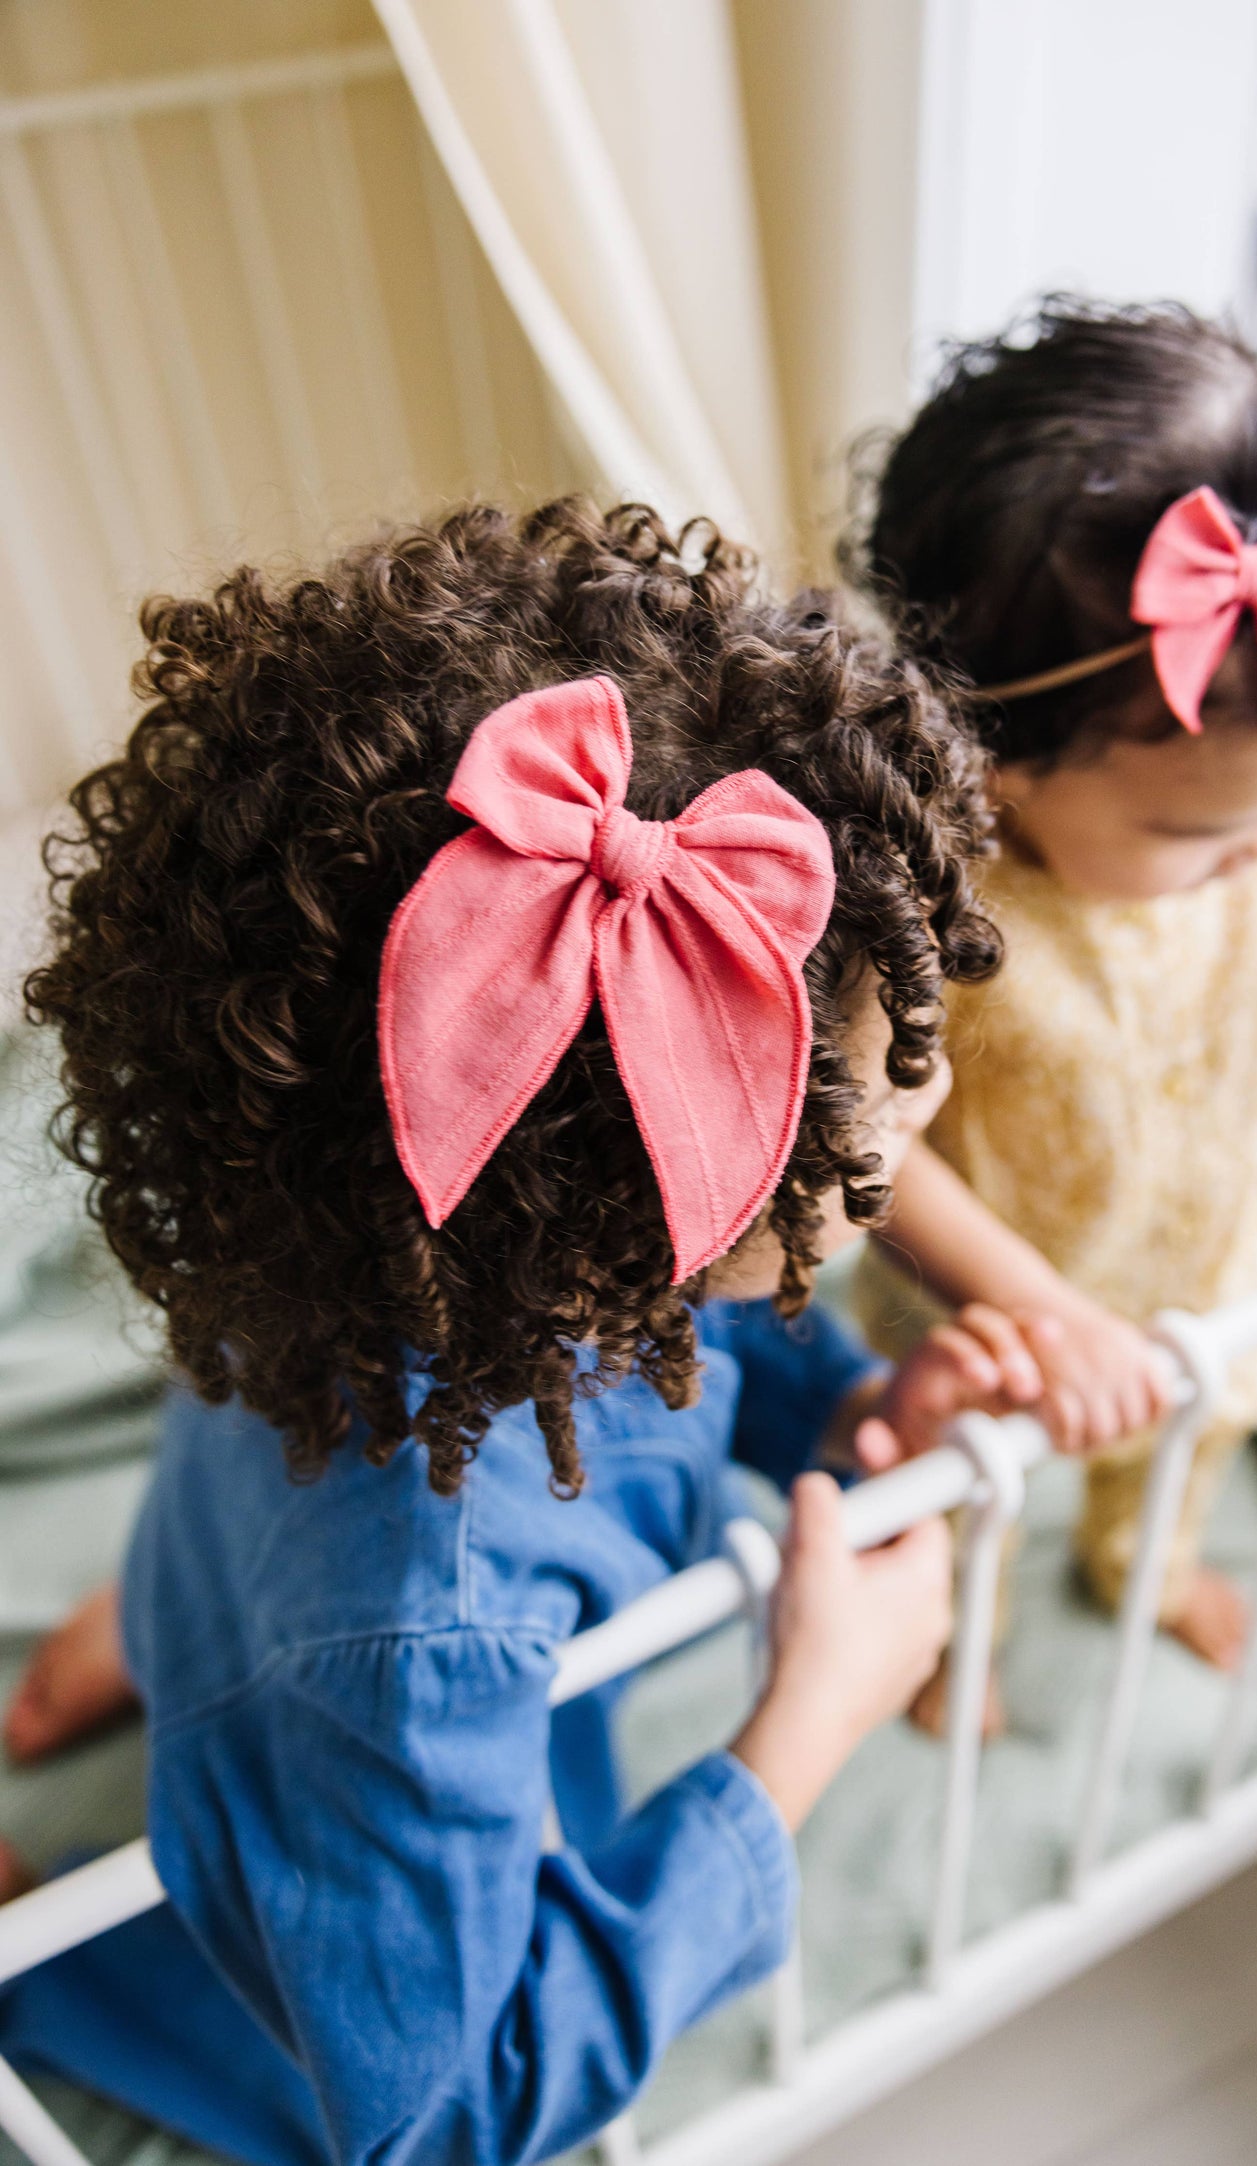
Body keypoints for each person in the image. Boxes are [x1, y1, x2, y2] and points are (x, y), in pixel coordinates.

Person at [0, 500, 1040, 2166]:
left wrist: (852, 1406)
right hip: (349, 1679)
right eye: (889, 1143)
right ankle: (54, 1951)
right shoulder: (431, 1637)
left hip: (265, 1545)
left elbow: (689, 1340)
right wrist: (800, 1730)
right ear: (627, 1215)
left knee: (261, 1589)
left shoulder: (359, 1233)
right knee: (302, 2034)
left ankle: (170, 1622)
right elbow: (447, 2112)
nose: (915, 1154)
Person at [848, 300, 1257, 1696]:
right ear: (991, 756)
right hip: (996, 1305)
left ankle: (1146, 1561)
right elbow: (866, 1147)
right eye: (1198, 836)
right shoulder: (936, 905)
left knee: (1199, 1423)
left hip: (1195, 1244)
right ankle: (951, 1635)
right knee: (964, 1481)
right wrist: (1032, 1306)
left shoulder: (1252, 819)